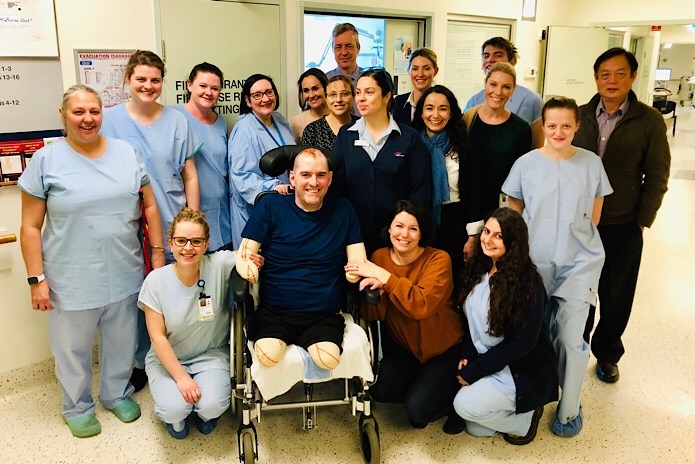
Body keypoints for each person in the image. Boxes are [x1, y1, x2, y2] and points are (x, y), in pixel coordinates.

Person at [18, 84, 165, 438]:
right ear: (63, 116)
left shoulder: (125, 153)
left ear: (103, 114)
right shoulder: (46, 160)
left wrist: (158, 252)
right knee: (72, 349)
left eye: (94, 112)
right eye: (78, 112)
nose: (87, 119)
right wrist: (36, 279)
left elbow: (149, 205)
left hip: (124, 271)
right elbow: (30, 226)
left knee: (122, 341)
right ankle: (77, 406)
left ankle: (116, 393)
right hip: (70, 278)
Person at [503, 96, 613, 437]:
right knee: (531, 334)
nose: (559, 131)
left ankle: (569, 409)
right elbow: (514, 212)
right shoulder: (525, 164)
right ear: (543, 127)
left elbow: (594, 216)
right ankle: (530, 398)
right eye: (552, 125)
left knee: (570, 338)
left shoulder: (592, 163)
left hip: (579, 262)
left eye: (566, 125)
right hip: (534, 263)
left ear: (577, 126)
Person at [102, 49, 200, 391]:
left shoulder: (176, 120)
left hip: (172, 221)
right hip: (125, 226)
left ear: (163, 83)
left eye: (155, 80)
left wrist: (193, 220)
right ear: (128, 80)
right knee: (133, 299)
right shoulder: (109, 119)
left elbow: (189, 175)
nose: (148, 85)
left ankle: (179, 356)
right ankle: (138, 361)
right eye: (140, 79)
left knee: (172, 293)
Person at [574, 47, 671, 384]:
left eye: (619, 74)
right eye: (604, 74)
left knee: (616, 294)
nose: (611, 80)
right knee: (578, 291)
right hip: (580, 223)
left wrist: (643, 218)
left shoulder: (648, 121)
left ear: (632, 77)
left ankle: (607, 353)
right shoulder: (580, 115)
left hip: (623, 223)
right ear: (596, 78)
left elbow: (657, 174)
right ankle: (575, 348)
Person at [236, 148, 367, 370]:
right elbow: (245, 253)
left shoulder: (343, 210)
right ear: (292, 177)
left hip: (323, 315)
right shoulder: (271, 206)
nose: (313, 182)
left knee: (327, 360)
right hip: (274, 313)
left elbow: (358, 258)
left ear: (330, 178)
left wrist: (355, 272)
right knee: (268, 357)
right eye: (305, 175)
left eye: (321, 175)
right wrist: (249, 265)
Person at [138, 208, 263, 439]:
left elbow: (244, 255)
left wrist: (253, 259)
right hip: (168, 359)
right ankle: (176, 421)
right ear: (171, 243)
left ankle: (205, 415)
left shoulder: (218, 264)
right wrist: (182, 378)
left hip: (211, 355)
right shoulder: (155, 282)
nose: (188, 248)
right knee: (174, 409)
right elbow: (157, 338)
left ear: (206, 244)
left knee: (212, 406)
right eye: (181, 241)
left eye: (196, 241)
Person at [350, 200, 466, 433]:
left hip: (444, 349)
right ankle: (425, 388)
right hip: (407, 349)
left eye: (413, 228)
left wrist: (387, 279)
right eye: (399, 226)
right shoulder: (380, 257)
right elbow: (373, 315)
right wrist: (379, 293)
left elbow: (421, 306)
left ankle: (456, 400)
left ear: (422, 232)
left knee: (418, 413)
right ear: (389, 229)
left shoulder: (439, 259)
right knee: (380, 390)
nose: (405, 234)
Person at [453, 208, 558, 445]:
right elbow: (470, 317)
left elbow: (521, 344)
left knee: (463, 406)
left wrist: (476, 370)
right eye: (486, 231)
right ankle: (516, 415)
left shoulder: (527, 285)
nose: (487, 240)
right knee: (475, 428)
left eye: (498, 236)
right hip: (489, 358)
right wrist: (468, 354)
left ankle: (527, 419)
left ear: (513, 242)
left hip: (517, 368)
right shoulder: (479, 267)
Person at [332, 68, 432, 254]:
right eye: (358, 92)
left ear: (387, 96)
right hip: (353, 236)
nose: (361, 98)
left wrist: (407, 230)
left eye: (369, 92)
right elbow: (337, 188)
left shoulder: (408, 138)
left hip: (397, 238)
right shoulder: (345, 135)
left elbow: (420, 191)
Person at [461, 62, 531, 261]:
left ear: (513, 91)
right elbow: (464, 174)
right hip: (466, 211)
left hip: (501, 214)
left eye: (506, 87)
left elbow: (520, 182)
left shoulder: (520, 130)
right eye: (493, 84)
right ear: (485, 84)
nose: (498, 92)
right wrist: (472, 232)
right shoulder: (467, 120)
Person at [228, 73, 294, 249]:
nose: (265, 99)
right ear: (248, 101)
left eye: (269, 92)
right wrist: (272, 186)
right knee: (257, 265)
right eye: (257, 95)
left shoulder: (279, 120)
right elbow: (242, 176)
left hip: (285, 202)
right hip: (258, 209)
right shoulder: (244, 129)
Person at [173, 62, 232, 252]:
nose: (209, 92)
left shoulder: (220, 122)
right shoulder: (174, 117)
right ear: (189, 85)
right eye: (203, 86)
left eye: (215, 88)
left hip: (221, 212)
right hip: (189, 212)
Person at [412, 85, 468, 281]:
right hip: (419, 219)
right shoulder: (411, 143)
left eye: (443, 108)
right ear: (421, 112)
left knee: (451, 278)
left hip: (454, 219)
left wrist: (473, 235)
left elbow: (473, 190)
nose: (435, 114)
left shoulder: (463, 145)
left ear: (451, 113)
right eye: (429, 108)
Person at [463, 37, 544, 148]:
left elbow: (536, 148)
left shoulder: (532, 100)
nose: (490, 59)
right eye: (486, 55)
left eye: (498, 55)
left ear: (512, 62)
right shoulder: (473, 102)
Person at [301, 75, 358, 152]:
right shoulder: (312, 131)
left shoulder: (363, 126)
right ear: (326, 99)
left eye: (345, 94)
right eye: (333, 95)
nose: (338, 99)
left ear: (353, 97)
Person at [394, 48, 439, 126]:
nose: (420, 74)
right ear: (409, 71)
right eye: (415, 69)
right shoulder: (398, 102)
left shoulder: (442, 104)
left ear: (435, 71)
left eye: (426, 69)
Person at [290, 68, 330, 143]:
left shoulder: (338, 115)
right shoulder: (297, 121)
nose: (311, 95)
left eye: (315, 88)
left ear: (325, 88)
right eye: (306, 91)